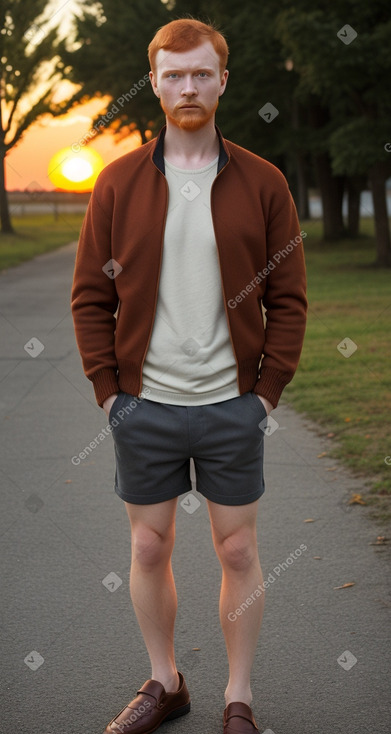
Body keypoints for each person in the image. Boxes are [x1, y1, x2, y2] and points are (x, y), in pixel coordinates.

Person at [71, 17, 307, 734]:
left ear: (222, 81)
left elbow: (288, 298)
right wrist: (110, 394)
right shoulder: (115, 184)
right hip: (145, 405)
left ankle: (239, 697)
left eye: (201, 72)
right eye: (173, 75)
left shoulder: (263, 182)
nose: (188, 86)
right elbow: (90, 296)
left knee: (237, 548)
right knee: (148, 545)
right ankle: (165, 681)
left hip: (231, 404)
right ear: (155, 84)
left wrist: (264, 395)